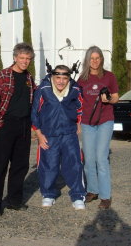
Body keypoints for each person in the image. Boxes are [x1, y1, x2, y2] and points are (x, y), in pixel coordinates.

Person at [0, 42, 36, 216]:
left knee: (20, 166)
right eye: (22, 58)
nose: (25, 61)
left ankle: (14, 201)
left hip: (24, 126)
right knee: (0, 166)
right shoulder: (2, 76)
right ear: (15, 57)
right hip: (6, 126)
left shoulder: (30, 79)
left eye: (28, 59)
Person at [31, 65, 86, 210]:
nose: (61, 81)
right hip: (49, 134)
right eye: (58, 78)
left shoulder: (75, 89)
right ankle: (48, 194)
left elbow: (80, 107)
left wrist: (79, 122)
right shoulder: (43, 89)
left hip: (69, 134)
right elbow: (34, 112)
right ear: (52, 77)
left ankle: (78, 195)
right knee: (48, 165)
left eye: (65, 78)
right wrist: (39, 134)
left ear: (69, 78)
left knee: (74, 164)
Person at [77, 46, 119, 210]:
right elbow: (78, 102)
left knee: (101, 159)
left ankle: (105, 196)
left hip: (104, 121)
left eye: (97, 58)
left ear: (101, 59)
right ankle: (92, 190)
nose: (94, 61)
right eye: (91, 58)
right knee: (89, 158)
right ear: (87, 60)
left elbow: (116, 97)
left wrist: (108, 99)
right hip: (87, 123)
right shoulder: (82, 79)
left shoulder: (109, 77)